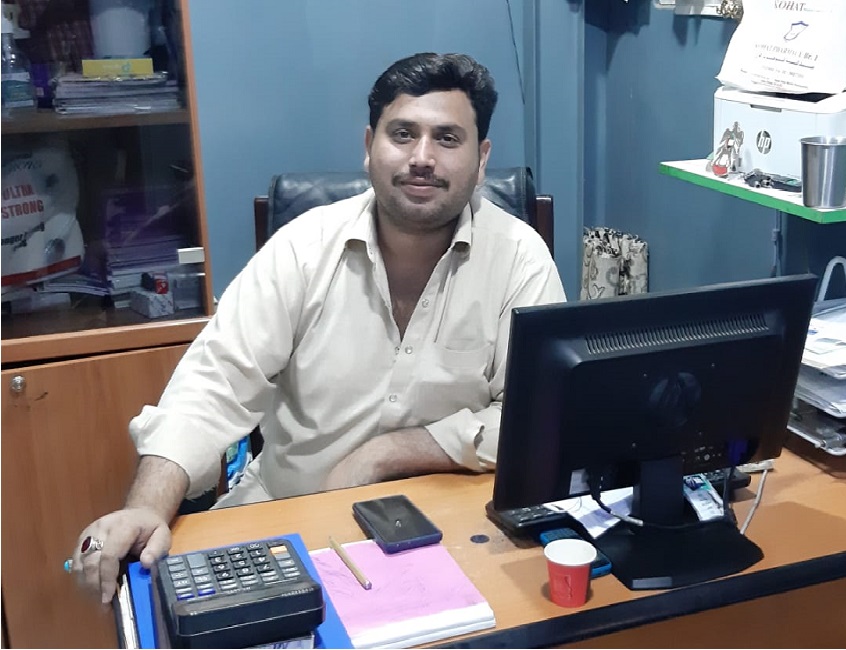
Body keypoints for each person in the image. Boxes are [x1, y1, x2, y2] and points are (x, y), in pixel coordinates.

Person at [68, 52, 565, 604]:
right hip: (291, 514)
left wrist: (390, 452)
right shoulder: (302, 249)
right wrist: (146, 506)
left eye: (448, 139)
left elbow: (538, 415)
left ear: (481, 157)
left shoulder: (519, 257)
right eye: (403, 134)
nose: (423, 158)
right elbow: (212, 385)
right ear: (369, 145)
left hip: (452, 523)